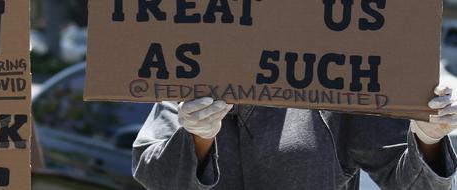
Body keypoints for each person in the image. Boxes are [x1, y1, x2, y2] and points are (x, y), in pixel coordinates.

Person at [133, 89, 457, 189]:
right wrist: (198, 138)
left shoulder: (337, 80)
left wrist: (428, 138)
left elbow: (413, 183)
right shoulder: (190, 74)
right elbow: (152, 173)